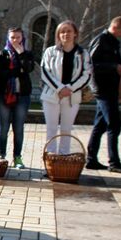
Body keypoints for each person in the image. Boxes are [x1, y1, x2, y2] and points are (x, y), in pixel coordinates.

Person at [86, 16, 121, 174]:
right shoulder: (102, 40)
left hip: (110, 88)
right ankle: (114, 162)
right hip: (102, 88)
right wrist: (114, 66)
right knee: (114, 124)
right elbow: (92, 64)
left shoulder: (113, 42)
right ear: (115, 27)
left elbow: (111, 61)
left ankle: (91, 159)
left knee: (100, 125)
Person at [40, 20, 91, 155]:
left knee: (66, 129)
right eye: (62, 32)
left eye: (69, 31)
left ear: (75, 33)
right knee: (51, 129)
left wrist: (70, 88)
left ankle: (64, 159)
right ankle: (51, 159)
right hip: (51, 95)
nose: (65, 34)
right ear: (58, 35)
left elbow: (87, 74)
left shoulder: (82, 53)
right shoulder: (50, 51)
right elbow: (45, 71)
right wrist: (60, 88)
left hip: (71, 97)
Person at [0, 27, 36, 168]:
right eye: (12, 37)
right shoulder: (2, 54)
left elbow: (28, 69)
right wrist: (18, 70)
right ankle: (1, 155)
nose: (15, 40)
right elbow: (0, 72)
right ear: (8, 38)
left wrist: (21, 55)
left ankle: (17, 157)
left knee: (18, 128)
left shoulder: (27, 54)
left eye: (18, 37)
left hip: (22, 96)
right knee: (3, 127)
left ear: (22, 38)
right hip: (3, 95)